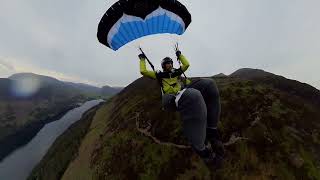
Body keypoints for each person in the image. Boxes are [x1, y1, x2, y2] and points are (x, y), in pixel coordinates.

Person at [138, 48, 224, 168]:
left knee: (210, 84)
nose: (169, 65)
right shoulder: (159, 75)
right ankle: (203, 151)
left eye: (170, 63)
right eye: (167, 64)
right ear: (163, 66)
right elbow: (143, 71)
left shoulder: (176, 72)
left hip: (181, 92)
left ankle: (212, 132)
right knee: (193, 96)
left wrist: (180, 55)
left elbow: (187, 65)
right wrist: (142, 59)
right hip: (171, 98)